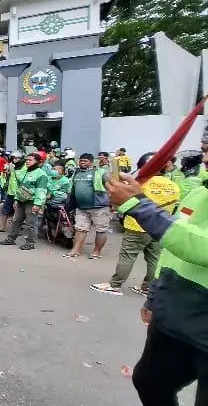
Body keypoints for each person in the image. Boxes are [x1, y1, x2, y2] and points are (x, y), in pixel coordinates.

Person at [105, 150, 208, 405]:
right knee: (149, 381)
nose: (205, 159)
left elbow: (202, 247)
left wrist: (138, 205)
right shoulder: (199, 193)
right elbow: (172, 248)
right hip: (174, 316)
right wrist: (155, 294)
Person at [91, 152, 180, 297]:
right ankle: (148, 288)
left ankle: (115, 285)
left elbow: (122, 203)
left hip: (137, 226)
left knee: (127, 256)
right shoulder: (174, 186)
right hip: (159, 227)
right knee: (154, 258)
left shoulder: (138, 184)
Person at [0, 152, 48, 250]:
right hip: (21, 201)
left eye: (30, 160)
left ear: (37, 162)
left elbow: (41, 191)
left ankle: (30, 243)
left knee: (31, 223)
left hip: (31, 202)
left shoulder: (41, 174)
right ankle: (11, 239)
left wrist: (37, 204)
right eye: (27, 160)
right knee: (16, 221)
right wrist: (16, 199)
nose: (27, 162)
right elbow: (20, 187)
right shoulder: (25, 172)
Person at [66, 153, 111, 259]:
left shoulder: (100, 172)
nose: (82, 163)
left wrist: (113, 203)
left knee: (101, 230)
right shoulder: (76, 173)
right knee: (80, 229)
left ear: (91, 162)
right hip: (81, 207)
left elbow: (111, 186)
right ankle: (75, 250)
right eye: (81, 161)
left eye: (85, 161)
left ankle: (96, 252)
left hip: (99, 207)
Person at [0, 151, 25, 232]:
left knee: (18, 213)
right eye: (14, 158)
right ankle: (3, 227)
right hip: (10, 192)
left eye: (17, 158)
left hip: (19, 194)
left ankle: (17, 230)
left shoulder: (24, 168)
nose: (15, 160)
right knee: (5, 210)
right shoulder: (13, 167)